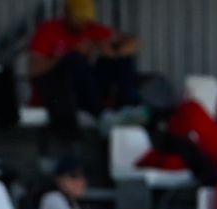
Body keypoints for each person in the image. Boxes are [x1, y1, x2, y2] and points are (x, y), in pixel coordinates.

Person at [25, 0, 141, 135]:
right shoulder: (48, 30)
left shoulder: (91, 28)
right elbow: (34, 69)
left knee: (120, 60)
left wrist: (113, 51)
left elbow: (134, 43)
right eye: (78, 18)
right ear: (67, 12)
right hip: (59, 93)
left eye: (85, 19)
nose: (82, 24)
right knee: (75, 59)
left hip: (86, 90)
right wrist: (69, 53)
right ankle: (101, 115)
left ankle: (131, 107)